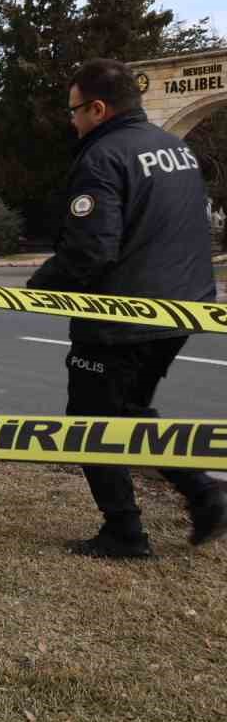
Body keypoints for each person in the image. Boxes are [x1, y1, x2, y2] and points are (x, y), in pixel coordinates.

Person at [26, 58, 226, 558]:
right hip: (181, 312)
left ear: (97, 108)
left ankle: (124, 531)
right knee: (131, 412)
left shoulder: (103, 157)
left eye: (73, 111)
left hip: (121, 318)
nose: (71, 122)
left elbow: (91, 250)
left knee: (89, 422)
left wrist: (38, 286)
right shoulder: (175, 148)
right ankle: (205, 495)